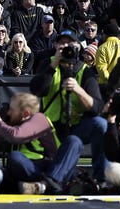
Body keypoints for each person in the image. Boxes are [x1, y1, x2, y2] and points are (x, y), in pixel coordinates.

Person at [30, 28, 108, 183]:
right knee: (73, 143)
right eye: (62, 44)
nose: (66, 48)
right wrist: (54, 63)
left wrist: (79, 90)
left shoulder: (84, 71)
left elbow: (97, 107)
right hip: (51, 127)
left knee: (100, 124)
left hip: (77, 125)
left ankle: (101, 177)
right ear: (56, 46)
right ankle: (60, 179)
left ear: (77, 47)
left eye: (69, 44)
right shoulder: (48, 63)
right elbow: (37, 90)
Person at [0, 92, 83, 194]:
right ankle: (47, 186)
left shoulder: (39, 119)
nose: (8, 113)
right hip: (28, 171)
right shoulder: (9, 126)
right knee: (14, 158)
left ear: (26, 114)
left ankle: (48, 184)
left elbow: (16, 136)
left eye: (11, 110)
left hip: (50, 168)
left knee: (74, 141)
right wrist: (3, 122)